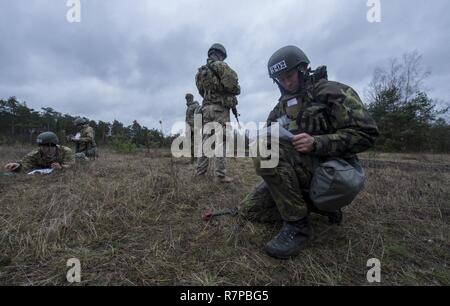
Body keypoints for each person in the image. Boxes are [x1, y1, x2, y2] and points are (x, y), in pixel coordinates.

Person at [239, 45, 379, 259]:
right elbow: (268, 135)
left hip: (332, 170)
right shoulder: (279, 108)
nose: (286, 83)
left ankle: (297, 226)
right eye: (280, 79)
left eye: (289, 76)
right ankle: (318, 206)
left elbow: (367, 133)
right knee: (249, 210)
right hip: (298, 170)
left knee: (264, 150)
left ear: (303, 69)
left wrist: (318, 143)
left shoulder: (333, 92)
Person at [195, 43, 241, 183]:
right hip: (219, 109)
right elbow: (234, 86)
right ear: (220, 54)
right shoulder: (221, 66)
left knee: (205, 142)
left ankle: (200, 173)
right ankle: (220, 175)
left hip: (206, 109)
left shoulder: (199, 73)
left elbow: (201, 92)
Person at [4, 132, 74, 173]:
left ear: (54, 145)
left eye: (47, 146)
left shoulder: (66, 151)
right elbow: (25, 163)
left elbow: (71, 165)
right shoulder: (35, 153)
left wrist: (61, 167)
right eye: (42, 147)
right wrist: (17, 166)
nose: (44, 149)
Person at [185, 93, 201, 163]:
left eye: (188, 98)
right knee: (190, 144)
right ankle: (192, 160)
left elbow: (199, 116)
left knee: (196, 144)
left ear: (191, 98)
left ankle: (196, 160)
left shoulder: (196, 106)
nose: (187, 100)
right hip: (189, 127)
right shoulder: (189, 106)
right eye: (186, 98)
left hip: (194, 128)